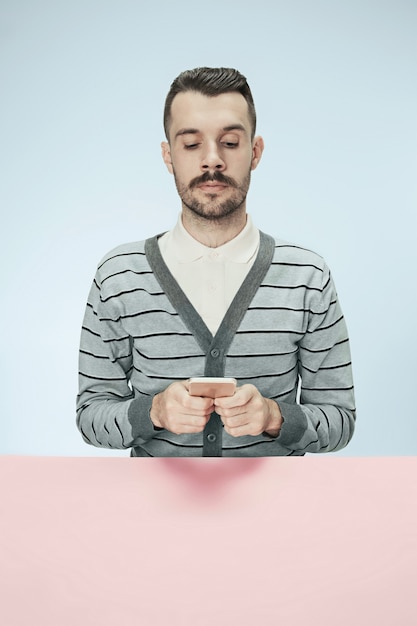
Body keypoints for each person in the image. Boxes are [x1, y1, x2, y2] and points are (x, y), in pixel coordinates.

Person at [76, 67, 356, 457]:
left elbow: (340, 421)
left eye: (229, 142)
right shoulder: (119, 276)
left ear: (254, 152)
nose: (212, 160)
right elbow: (90, 415)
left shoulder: (307, 277)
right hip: (151, 514)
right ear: (168, 155)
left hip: (277, 513)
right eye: (191, 145)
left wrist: (274, 416)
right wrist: (152, 411)